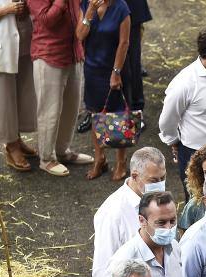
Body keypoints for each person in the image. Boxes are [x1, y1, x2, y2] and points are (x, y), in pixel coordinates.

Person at [158, 25, 206, 202]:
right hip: (196, 154)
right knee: (198, 203)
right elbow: (167, 121)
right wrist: (174, 141)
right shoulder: (185, 83)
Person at [27, 0, 94, 177]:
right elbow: (46, 20)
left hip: (73, 53)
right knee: (50, 112)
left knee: (71, 109)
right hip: (49, 54)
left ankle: (62, 151)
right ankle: (47, 158)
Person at [92, 147, 167, 277]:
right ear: (134, 176)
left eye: (163, 178)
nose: (160, 185)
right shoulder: (112, 213)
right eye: (153, 180)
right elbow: (102, 271)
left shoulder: (157, 199)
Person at [76, 0, 131, 181]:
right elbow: (80, 35)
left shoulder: (121, 8)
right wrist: (90, 12)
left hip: (115, 69)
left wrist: (116, 72)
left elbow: (124, 43)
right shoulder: (86, 5)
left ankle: (121, 162)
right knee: (95, 114)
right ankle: (100, 158)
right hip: (92, 69)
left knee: (118, 116)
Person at [0, 0, 37, 172]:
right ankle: (11, 146)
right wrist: (6, 10)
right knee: (3, 99)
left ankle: (17, 138)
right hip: (0, 47)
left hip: (24, 42)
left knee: (21, 95)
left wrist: (25, 9)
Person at [123, 0, 151, 114]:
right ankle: (94, 109)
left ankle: (136, 108)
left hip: (131, 8)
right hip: (98, 8)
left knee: (133, 61)